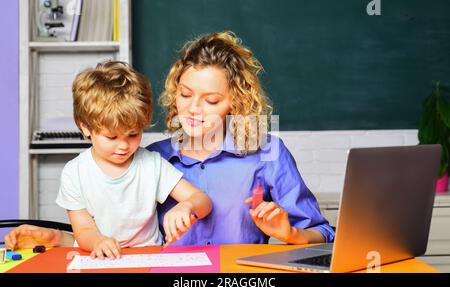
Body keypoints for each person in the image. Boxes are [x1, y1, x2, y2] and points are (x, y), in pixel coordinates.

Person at [5, 32, 333, 249]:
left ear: (236, 102)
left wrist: (290, 234)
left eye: (212, 100)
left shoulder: (268, 153)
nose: (193, 109)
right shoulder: (149, 158)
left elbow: (323, 235)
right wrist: (56, 237)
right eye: (186, 94)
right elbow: (120, 239)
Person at [12, 61, 212, 259]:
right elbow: (83, 230)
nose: (124, 145)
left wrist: (187, 206)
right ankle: (57, 238)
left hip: (148, 256)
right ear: (85, 127)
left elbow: (203, 201)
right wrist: (98, 241)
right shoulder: (75, 173)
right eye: (112, 137)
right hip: (101, 258)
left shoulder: (151, 164)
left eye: (133, 134)